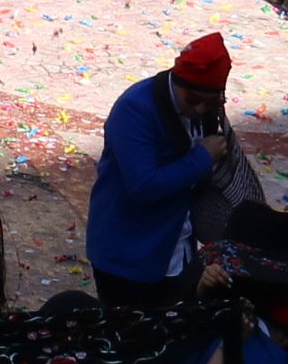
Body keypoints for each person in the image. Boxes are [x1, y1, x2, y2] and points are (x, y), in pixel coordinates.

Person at [87, 35, 232, 306]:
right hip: (128, 257)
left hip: (176, 250)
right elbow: (143, 186)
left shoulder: (204, 111)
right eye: (193, 99)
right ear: (178, 81)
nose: (200, 109)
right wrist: (202, 157)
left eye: (209, 103)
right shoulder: (134, 110)